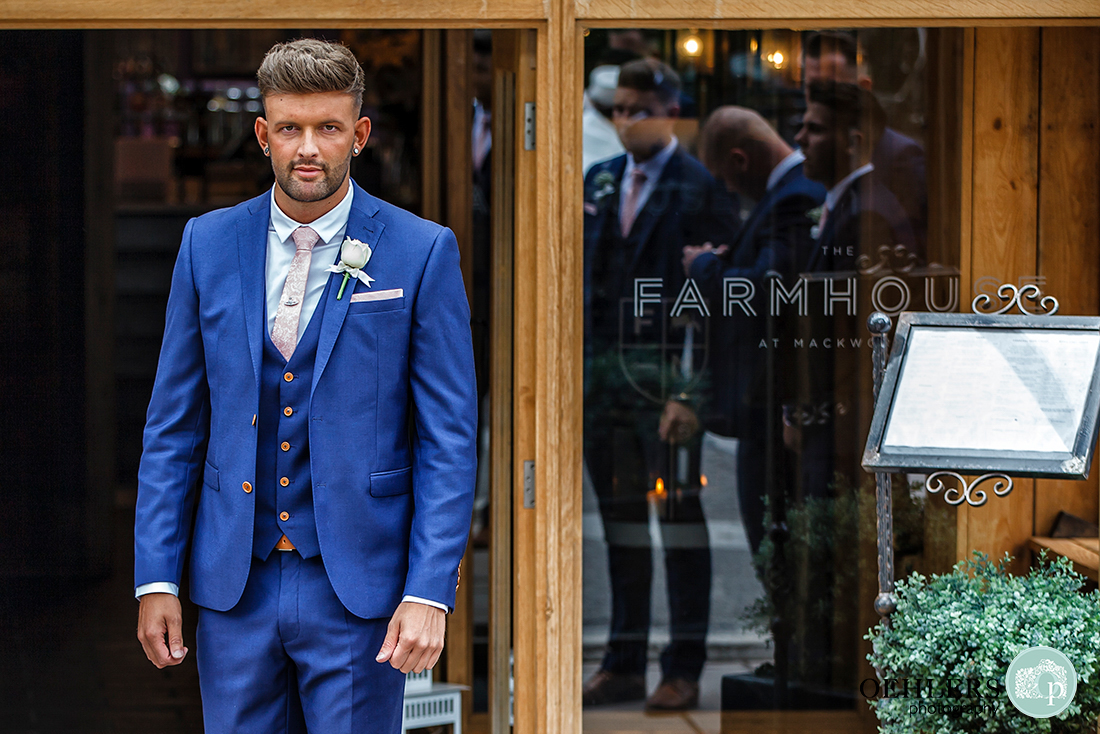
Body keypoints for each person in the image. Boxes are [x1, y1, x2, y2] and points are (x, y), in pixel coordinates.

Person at [133, 38, 477, 734]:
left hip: (359, 588)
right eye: (290, 128)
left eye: (328, 128)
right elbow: (174, 427)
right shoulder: (206, 242)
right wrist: (157, 578)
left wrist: (428, 591)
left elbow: (449, 438)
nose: (308, 148)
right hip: (235, 583)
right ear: (263, 135)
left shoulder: (422, 249)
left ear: (360, 133)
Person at [582, 58, 738, 711]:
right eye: (617, 109)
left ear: (671, 110)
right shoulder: (600, 179)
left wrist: (690, 394)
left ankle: (683, 665)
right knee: (620, 523)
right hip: (604, 385)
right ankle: (621, 661)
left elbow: (719, 305)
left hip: (668, 386)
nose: (624, 121)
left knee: (678, 524)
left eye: (637, 109)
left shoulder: (701, 187)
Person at [681, 106, 825, 555]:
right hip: (767, 407)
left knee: (773, 551)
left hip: (771, 407)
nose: (726, 187)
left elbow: (765, 292)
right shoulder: (787, 194)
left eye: (725, 176)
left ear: (740, 160)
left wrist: (702, 265)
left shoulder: (794, 197)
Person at [803, 31, 927, 249]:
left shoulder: (901, 156)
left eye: (830, 87)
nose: (816, 98)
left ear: (864, 88)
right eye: (810, 87)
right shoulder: (806, 149)